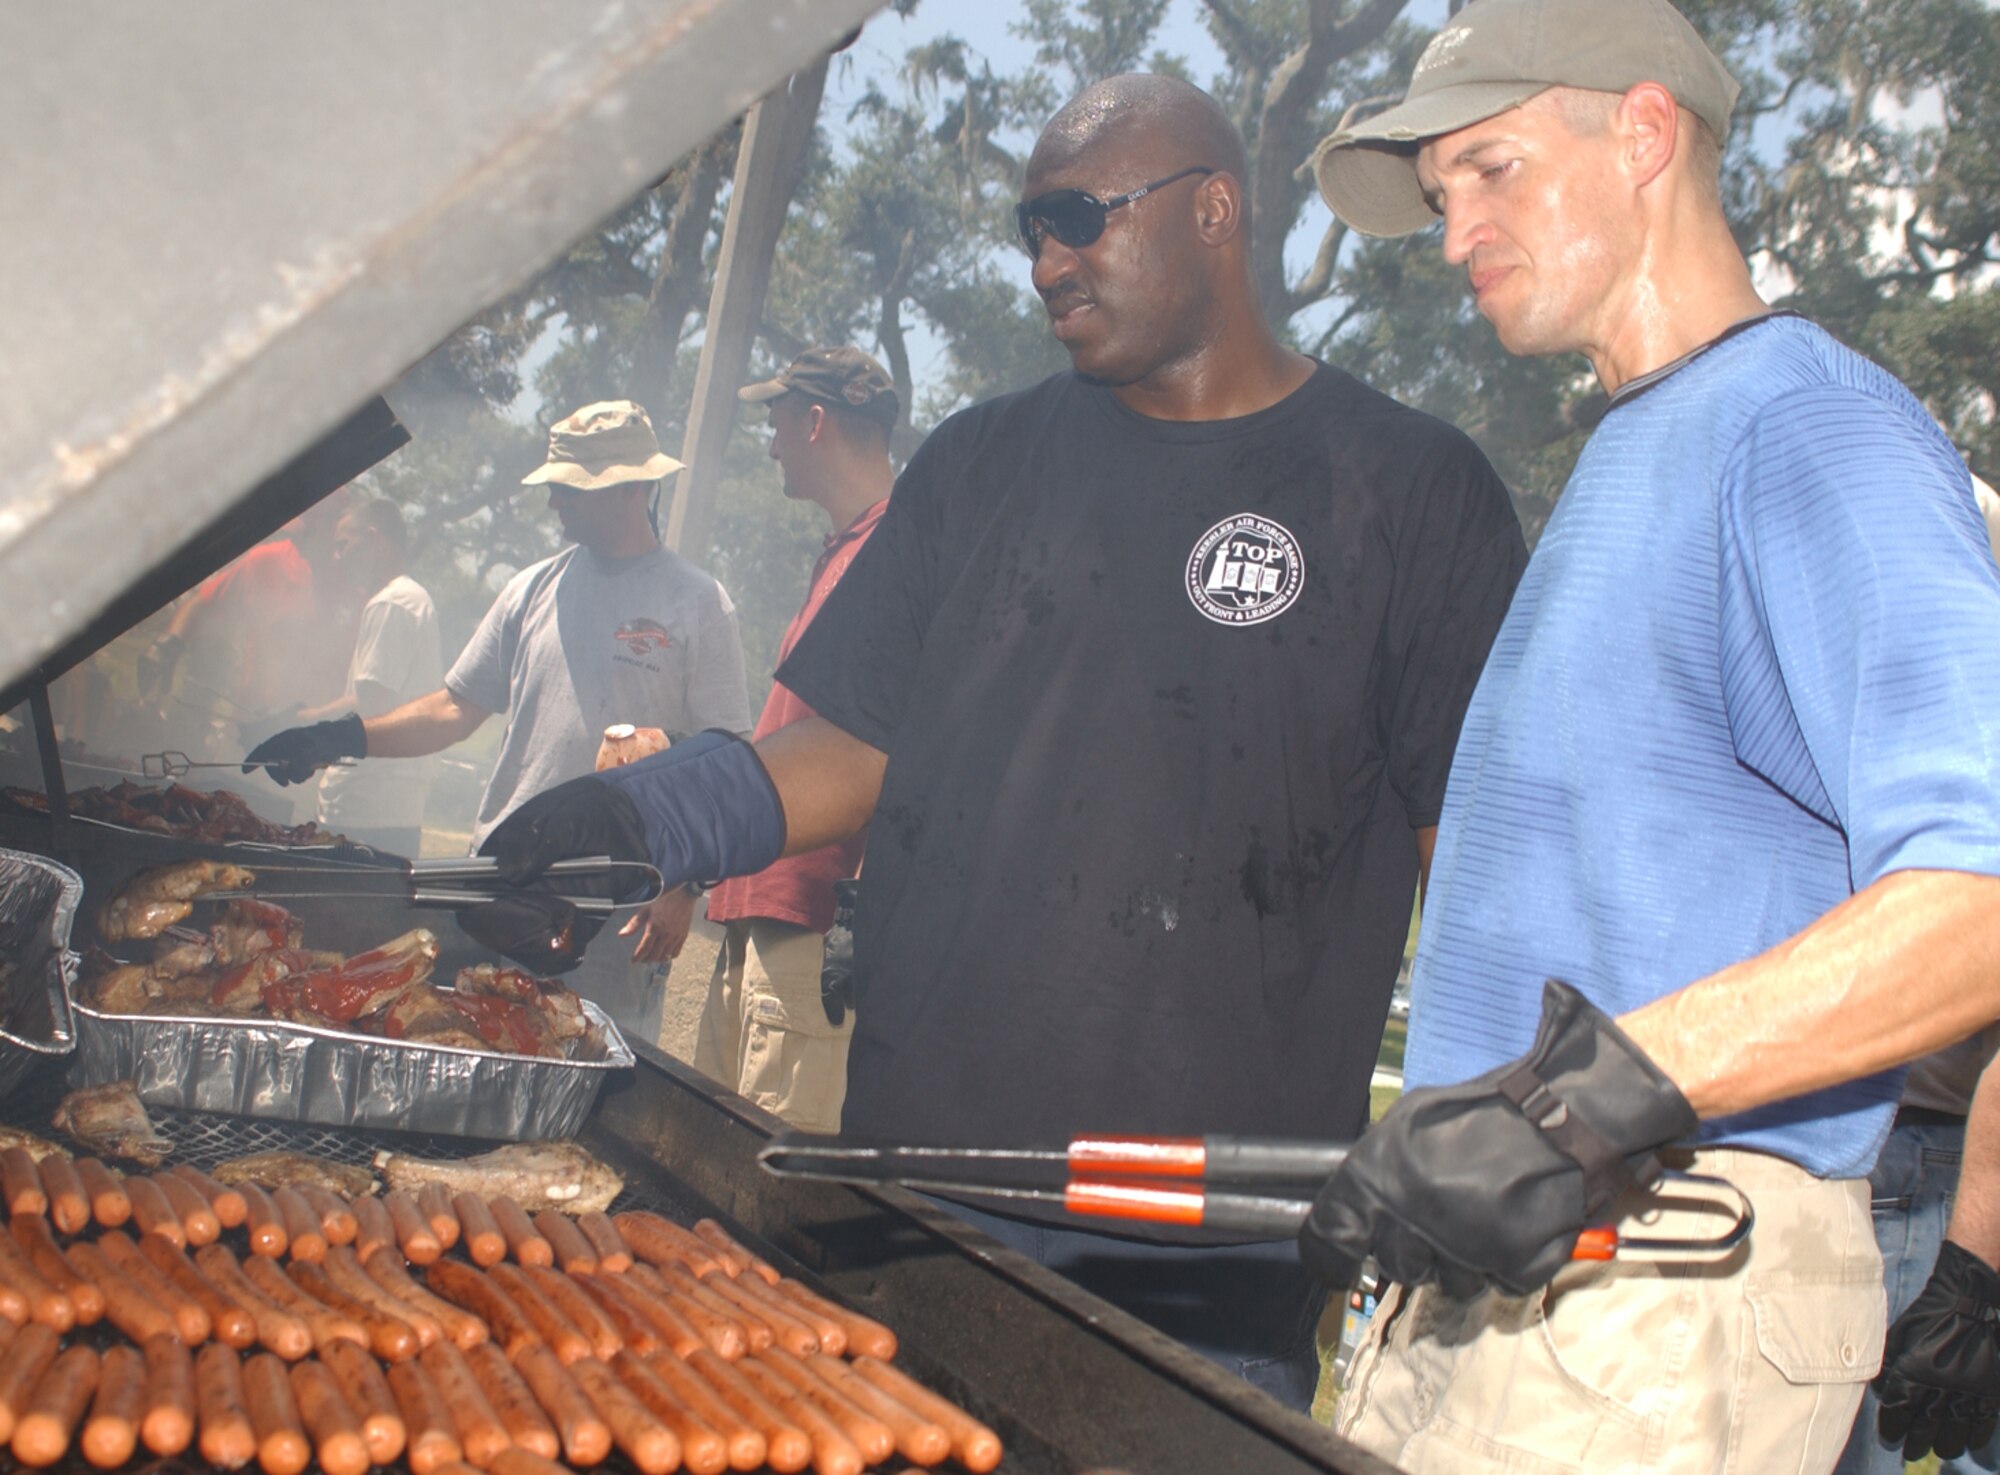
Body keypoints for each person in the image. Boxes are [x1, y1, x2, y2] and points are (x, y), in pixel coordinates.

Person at [471, 75, 1526, 1408]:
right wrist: (647, 819)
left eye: (1081, 217)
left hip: (1198, 1255)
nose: (1046, 261)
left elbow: (1477, 867)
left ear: (1215, 210)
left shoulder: (1414, 491)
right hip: (916, 1185)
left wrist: (1494, 1123)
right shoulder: (980, 463)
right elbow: (853, 748)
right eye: (1031, 226)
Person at [1304, 0, 2000, 1468]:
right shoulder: (1640, 446)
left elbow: (1981, 896)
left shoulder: (1808, 429)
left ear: (1642, 131)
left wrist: (1594, 1099)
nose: (1452, 234)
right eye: (1439, 198)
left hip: (1662, 1288)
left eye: (1490, 169)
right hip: (1518, 1276)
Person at [247, 400, 753, 1044]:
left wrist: (687, 885)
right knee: (468, 1056)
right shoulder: (531, 589)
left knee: (590, 1078)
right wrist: (343, 737)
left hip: (612, 911)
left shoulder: (699, 605)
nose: (553, 506)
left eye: (569, 490)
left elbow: (723, 761)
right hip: (502, 886)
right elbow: (455, 708)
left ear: (630, 488)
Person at [694, 347, 896, 1133]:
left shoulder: (895, 553)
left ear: (815, 421)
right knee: (713, 1154)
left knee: (769, 1185)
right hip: (765, 908)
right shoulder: (844, 551)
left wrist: (861, 906)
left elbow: (904, 745)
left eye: (776, 418)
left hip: (815, 923)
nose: (770, 439)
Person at [289, 496, 443, 858]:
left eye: (344, 544)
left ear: (374, 538)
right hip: (388, 802)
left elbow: (372, 701)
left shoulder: (392, 603)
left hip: (367, 803)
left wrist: (300, 722)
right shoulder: (409, 598)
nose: (337, 556)